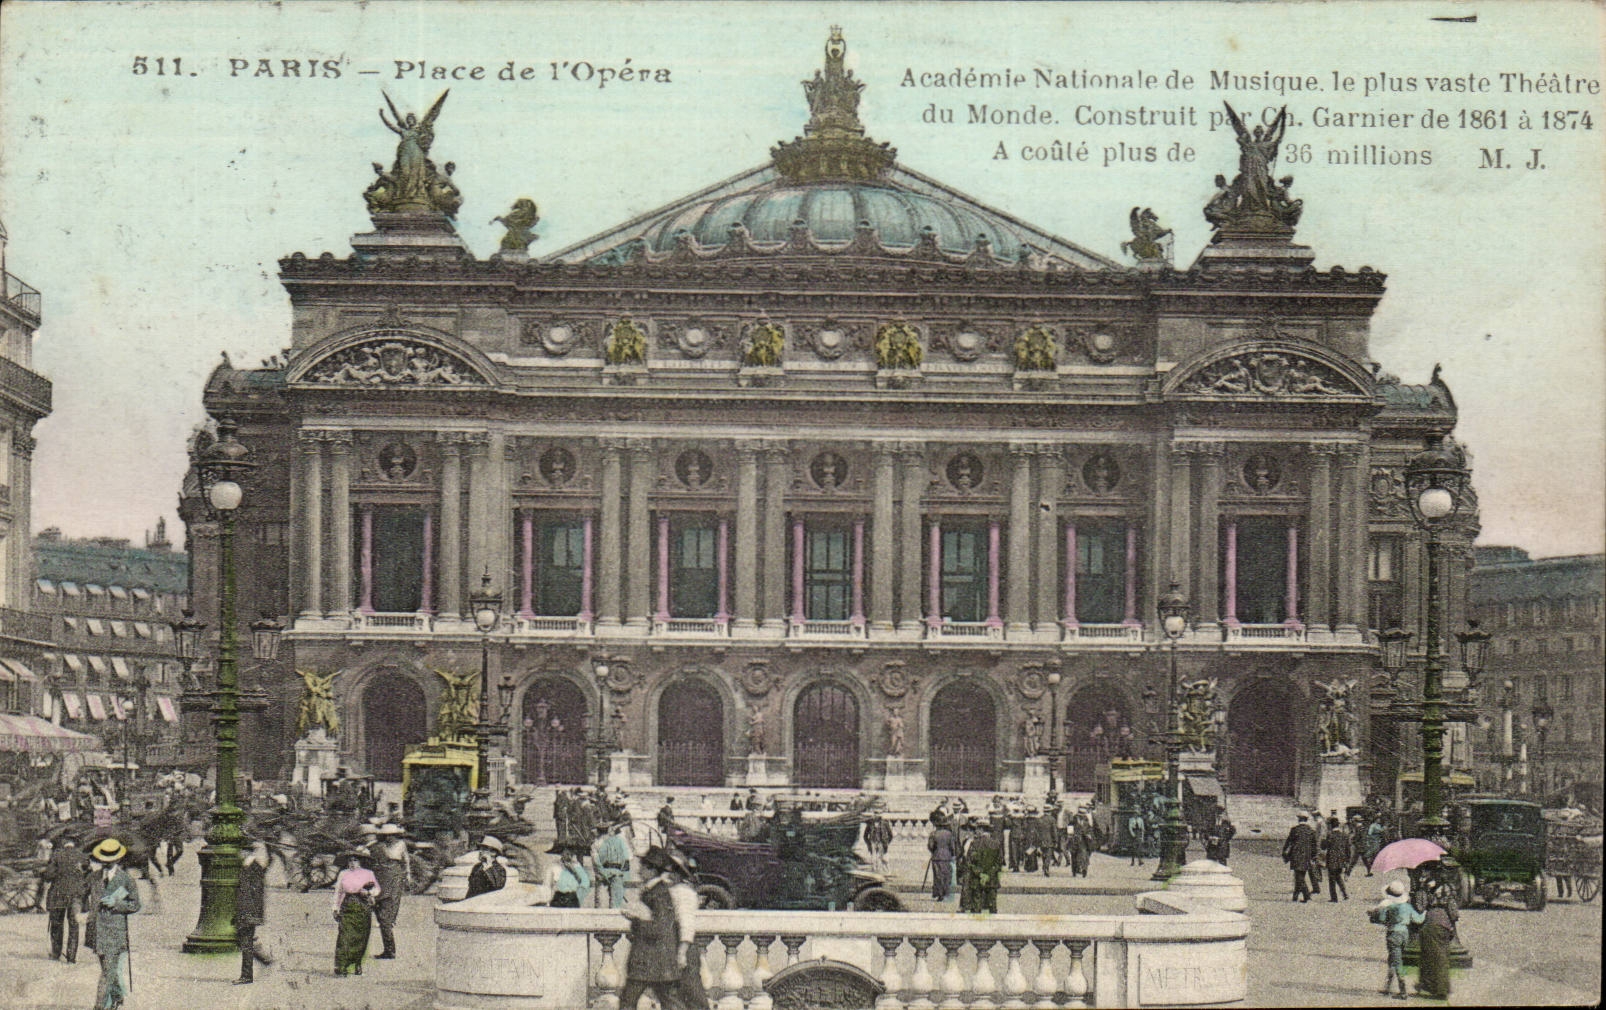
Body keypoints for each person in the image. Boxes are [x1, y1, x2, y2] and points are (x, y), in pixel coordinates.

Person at [619, 846, 707, 1010]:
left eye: (671, 869)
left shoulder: (678, 893)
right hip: (663, 954)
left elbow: (678, 925)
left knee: (691, 998)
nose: (668, 873)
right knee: (673, 999)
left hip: (670, 953)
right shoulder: (661, 890)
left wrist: (637, 922)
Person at [84, 838, 140, 1010]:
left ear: (117, 860)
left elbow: (135, 904)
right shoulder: (93, 877)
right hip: (96, 929)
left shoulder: (126, 880)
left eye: (110, 860)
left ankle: (99, 1007)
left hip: (115, 931)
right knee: (108, 968)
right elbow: (82, 895)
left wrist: (116, 904)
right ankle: (117, 996)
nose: (106, 863)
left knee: (106, 973)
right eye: (103, 860)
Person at [1369, 880, 1423, 999]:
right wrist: (1425, 911)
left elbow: (1382, 919)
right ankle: (1387, 987)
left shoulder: (1389, 907)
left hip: (1393, 934)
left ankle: (1403, 991)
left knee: (1397, 962)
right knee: (1393, 960)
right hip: (1405, 934)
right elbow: (1418, 919)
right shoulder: (1408, 906)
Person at [233, 833, 274, 984]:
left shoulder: (254, 868)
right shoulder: (246, 866)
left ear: (246, 852)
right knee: (244, 941)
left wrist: (249, 914)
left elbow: (256, 894)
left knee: (245, 942)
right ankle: (263, 961)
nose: (239, 853)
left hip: (248, 912)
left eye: (241, 851)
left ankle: (248, 975)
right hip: (244, 911)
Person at [332, 851, 379, 977]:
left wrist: (368, 893)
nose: (352, 863)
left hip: (363, 906)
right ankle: (342, 965)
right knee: (344, 936)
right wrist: (335, 908)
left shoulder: (368, 874)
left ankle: (357, 963)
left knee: (361, 936)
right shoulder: (343, 874)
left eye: (355, 860)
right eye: (350, 861)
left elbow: (377, 889)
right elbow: (338, 892)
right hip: (347, 905)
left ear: (360, 862)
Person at [368, 823, 411, 959]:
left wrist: (408, 874)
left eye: (391, 835)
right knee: (380, 914)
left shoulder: (401, 845)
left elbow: (406, 860)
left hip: (394, 879)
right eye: (386, 835)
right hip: (380, 878)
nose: (389, 838)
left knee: (386, 915)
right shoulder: (377, 847)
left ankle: (389, 950)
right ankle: (388, 948)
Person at [42, 836, 88, 963]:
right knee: (74, 925)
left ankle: (56, 954)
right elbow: (88, 876)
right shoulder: (82, 856)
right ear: (74, 844)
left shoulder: (56, 855)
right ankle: (71, 957)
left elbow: (48, 876)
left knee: (57, 924)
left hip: (58, 895)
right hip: (76, 895)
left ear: (63, 844)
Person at [1416, 899, 1456, 999]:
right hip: (1443, 932)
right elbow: (1452, 927)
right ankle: (1441, 987)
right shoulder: (1445, 910)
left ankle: (1436, 989)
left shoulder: (1429, 912)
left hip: (1430, 932)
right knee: (1442, 960)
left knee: (1429, 959)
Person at [593, 820, 633, 909]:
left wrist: (602, 873)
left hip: (602, 875)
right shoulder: (619, 841)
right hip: (617, 873)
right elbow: (626, 858)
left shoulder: (596, 844)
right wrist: (618, 871)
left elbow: (596, 862)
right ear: (607, 830)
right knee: (615, 906)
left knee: (600, 906)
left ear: (598, 831)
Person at [1282, 812, 1318, 902]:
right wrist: (1313, 856)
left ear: (1299, 819)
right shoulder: (1311, 831)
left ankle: (1306, 896)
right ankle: (1295, 896)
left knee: (1299, 876)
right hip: (1307, 856)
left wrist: (1284, 852)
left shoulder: (1294, 830)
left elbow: (1288, 842)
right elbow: (1314, 845)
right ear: (1306, 819)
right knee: (1300, 875)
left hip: (1296, 856)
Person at [547, 842, 592, 907]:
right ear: (562, 853)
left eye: (571, 854)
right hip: (558, 897)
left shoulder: (576, 865)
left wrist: (574, 871)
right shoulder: (555, 865)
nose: (569, 857)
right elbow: (548, 884)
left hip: (571, 898)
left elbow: (584, 882)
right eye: (567, 854)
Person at [1322, 816, 1353, 902]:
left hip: (1332, 860)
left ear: (1331, 826)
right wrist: (1347, 860)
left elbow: (1323, 847)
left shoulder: (1330, 835)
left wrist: (1324, 838)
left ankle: (1334, 897)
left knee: (1332, 879)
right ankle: (1345, 893)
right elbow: (1348, 849)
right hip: (1341, 860)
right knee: (1338, 877)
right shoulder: (1344, 835)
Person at [928, 819, 956, 901]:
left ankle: (939, 893)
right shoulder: (949, 834)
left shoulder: (933, 834)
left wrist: (934, 851)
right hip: (947, 856)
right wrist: (952, 854)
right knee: (946, 875)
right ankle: (945, 893)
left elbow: (930, 846)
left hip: (937, 856)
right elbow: (952, 847)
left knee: (938, 876)